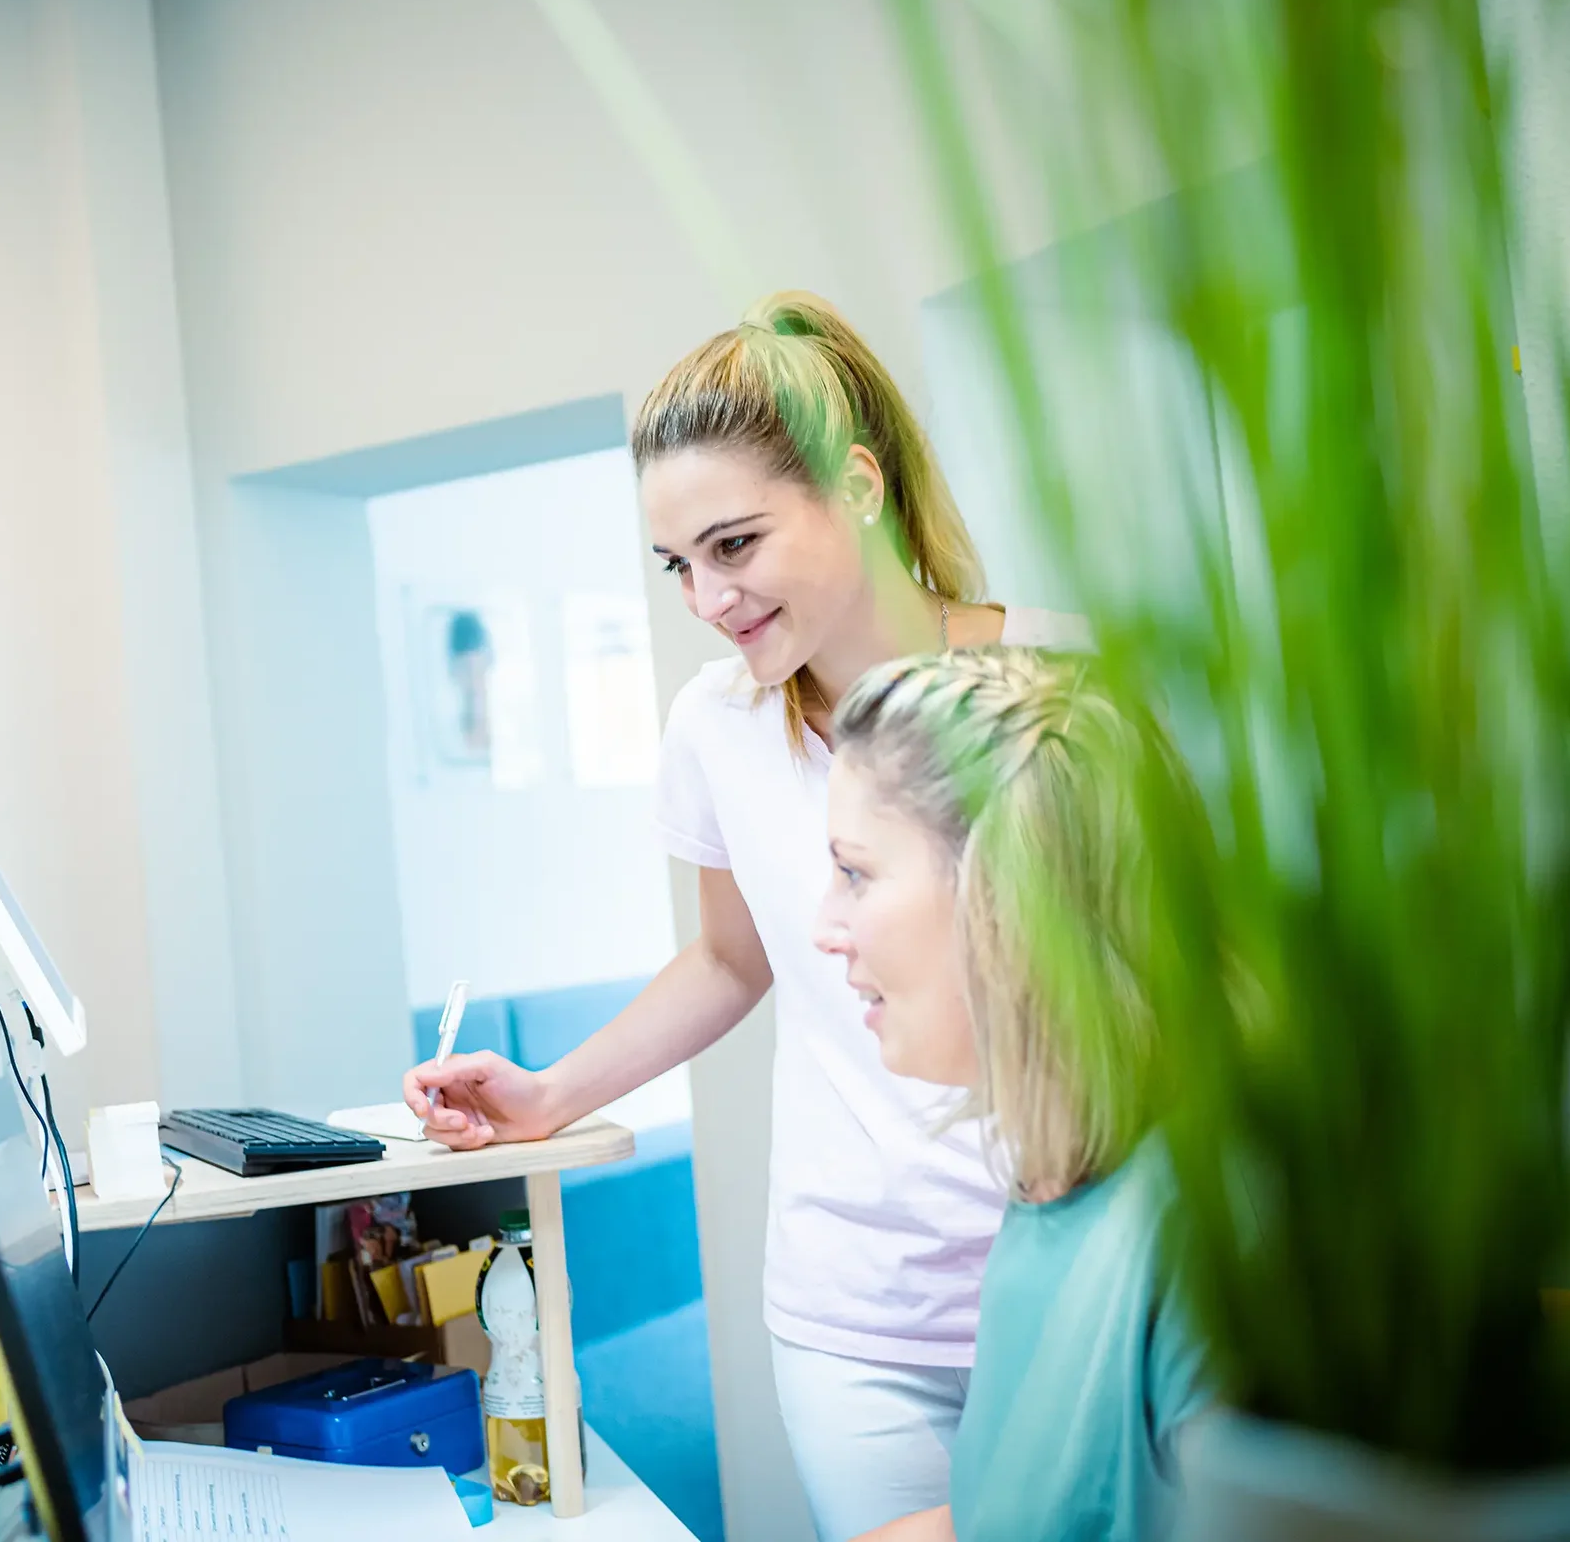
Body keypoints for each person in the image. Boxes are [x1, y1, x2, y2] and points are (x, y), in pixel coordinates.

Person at [403, 290, 1083, 1540]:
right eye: (677, 565)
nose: (707, 598)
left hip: (1068, 1275)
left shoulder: (1059, 693)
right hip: (853, 1310)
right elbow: (731, 956)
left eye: (734, 545)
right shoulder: (717, 728)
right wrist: (550, 1095)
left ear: (859, 486)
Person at [815, 649, 1210, 1542]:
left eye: (855, 873)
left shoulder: (1203, 1239)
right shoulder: (1049, 1184)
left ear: (1010, 896)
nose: (822, 927)